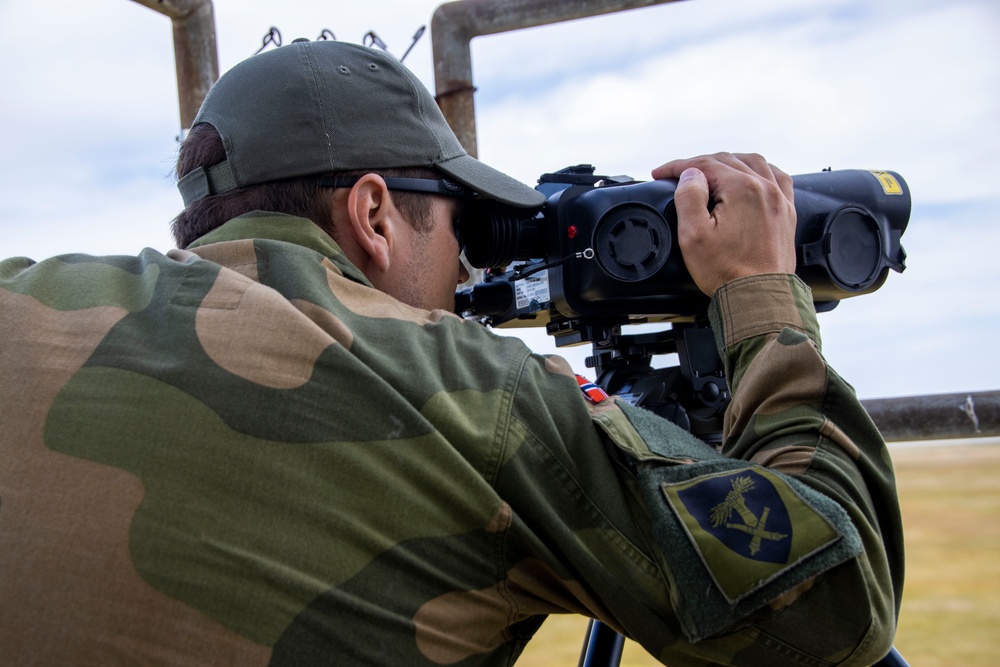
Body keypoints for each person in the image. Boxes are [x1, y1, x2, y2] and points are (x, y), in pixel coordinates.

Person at [0, 40, 902, 666]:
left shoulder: (22, 298)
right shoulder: (482, 399)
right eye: (464, 227)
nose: (469, 268)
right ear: (375, 214)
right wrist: (761, 298)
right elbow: (836, 612)